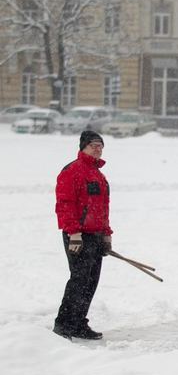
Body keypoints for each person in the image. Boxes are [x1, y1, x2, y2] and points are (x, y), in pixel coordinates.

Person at [53, 131, 113, 340]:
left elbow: (103, 209)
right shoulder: (72, 171)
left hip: (96, 236)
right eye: (93, 145)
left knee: (91, 281)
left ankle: (78, 323)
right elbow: (65, 204)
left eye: (100, 145)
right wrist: (74, 232)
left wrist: (106, 235)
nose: (97, 148)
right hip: (78, 236)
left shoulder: (99, 175)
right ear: (83, 147)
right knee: (79, 280)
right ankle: (63, 325)